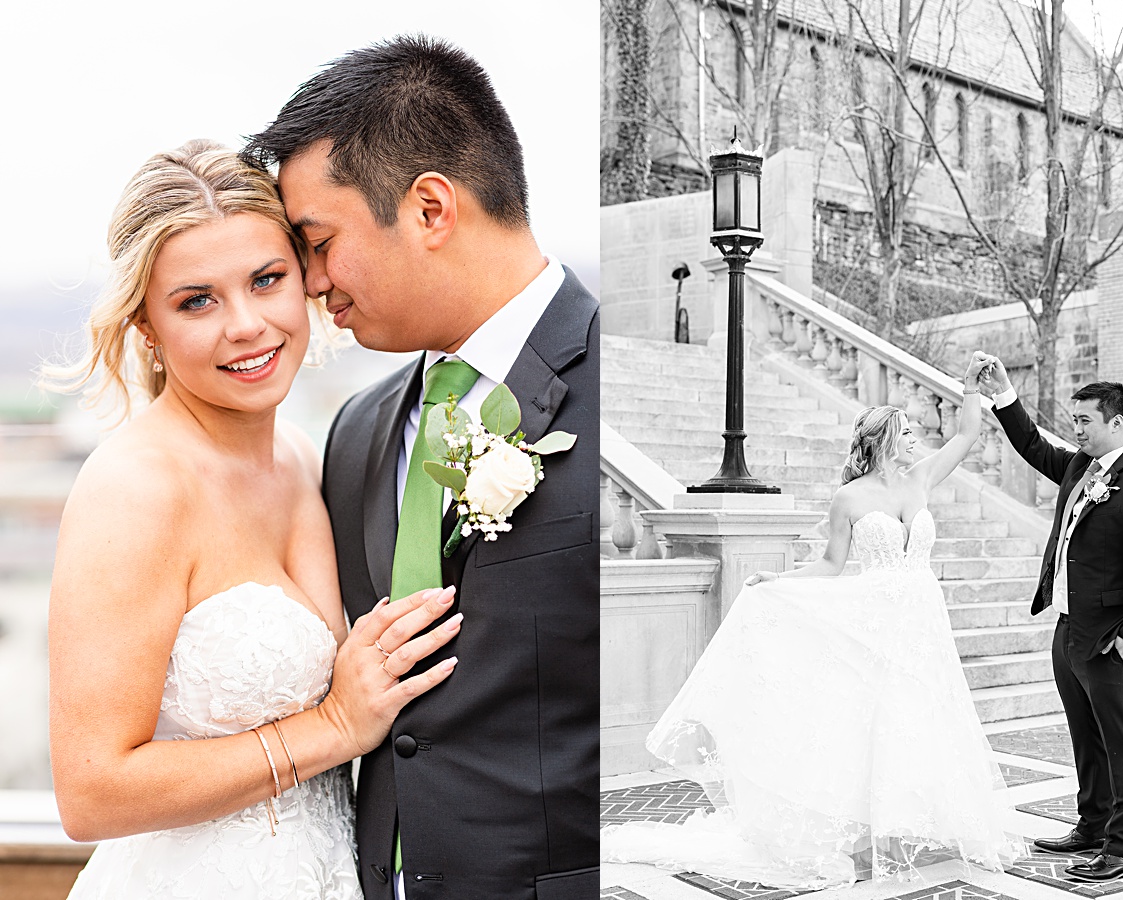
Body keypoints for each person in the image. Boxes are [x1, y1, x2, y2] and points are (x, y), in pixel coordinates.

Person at [43, 140, 463, 900]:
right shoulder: (136, 487)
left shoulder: (306, 458)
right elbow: (91, 789)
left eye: (266, 280)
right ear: (145, 324)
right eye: (196, 300)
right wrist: (334, 727)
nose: (246, 325)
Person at [242, 35, 599, 900]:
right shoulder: (358, 431)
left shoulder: (605, 383)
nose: (312, 282)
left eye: (319, 242)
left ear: (430, 209)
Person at [601, 351, 1024, 890]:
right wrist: (777, 582)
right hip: (873, 620)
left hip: (921, 623)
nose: (916, 435)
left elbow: (967, 434)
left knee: (921, 715)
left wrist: (971, 387)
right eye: (906, 428)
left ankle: (905, 827)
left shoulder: (923, 477)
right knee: (877, 720)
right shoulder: (848, 497)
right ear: (882, 440)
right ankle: (874, 835)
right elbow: (830, 563)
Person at [979, 361, 1123, 882]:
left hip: (1111, 638)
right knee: (1085, 736)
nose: (1077, 429)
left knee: (1122, 741)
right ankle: (1090, 826)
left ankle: (1122, 847)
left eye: (1085, 421)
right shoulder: (1078, 469)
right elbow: (1034, 446)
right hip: (1068, 626)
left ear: (1117, 423)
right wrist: (1004, 396)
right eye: (1075, 420)